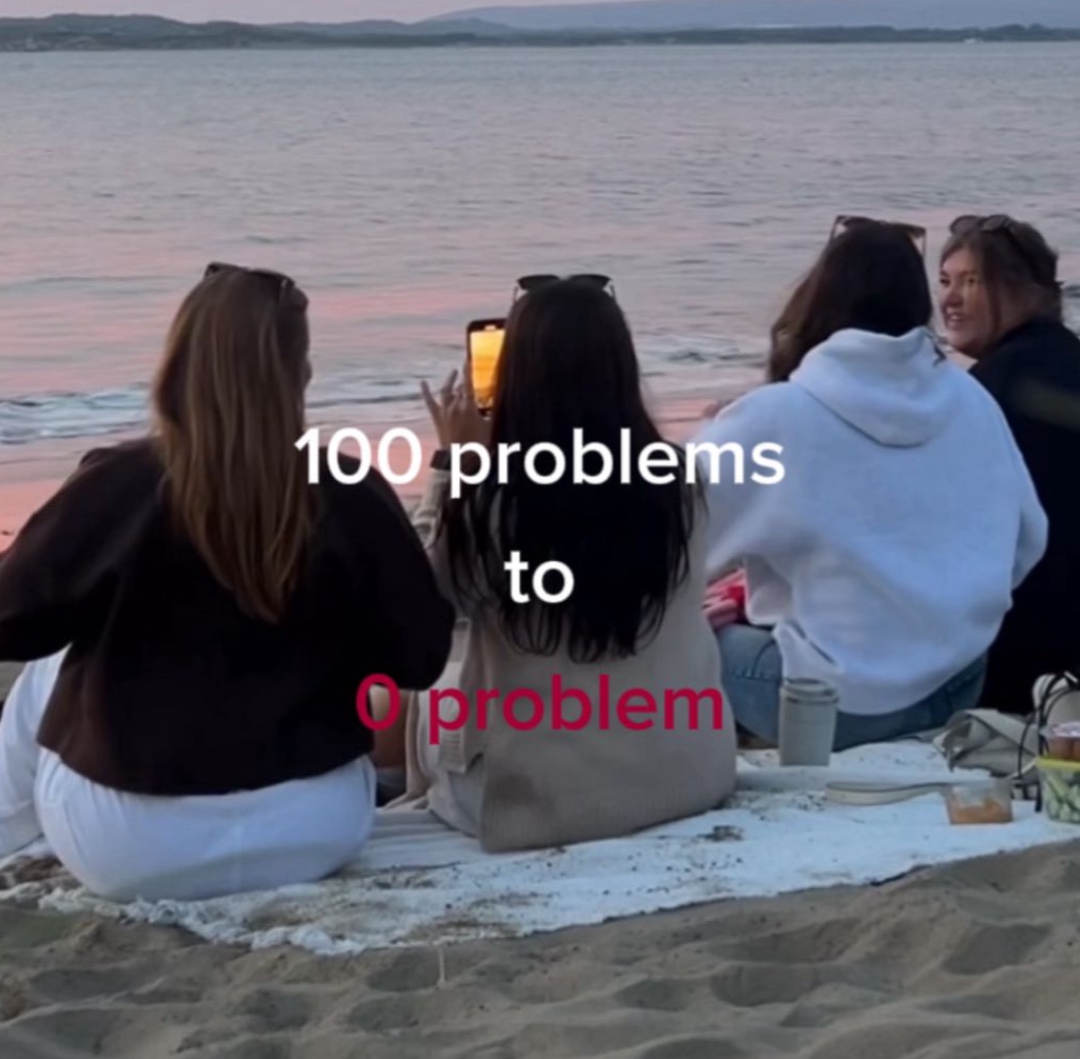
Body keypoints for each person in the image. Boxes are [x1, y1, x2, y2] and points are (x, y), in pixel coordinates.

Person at [0, 264, 453, 900]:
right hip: (312, 831)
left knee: (49, 662)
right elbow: (422, 659)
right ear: (300, 373)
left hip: (131, 849)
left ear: (177, 365)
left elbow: (11, 625)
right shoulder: (351, 492)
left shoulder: (117, 485)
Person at [403, 279, 736, 851]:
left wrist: (451, 467)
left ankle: (416, 800)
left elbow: (415, 604)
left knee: (430, 695)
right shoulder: (682, 481)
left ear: (515, 378)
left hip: (543, 809)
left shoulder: (493, 503)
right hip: (692, 777)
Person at [695, 221, 1047, 748]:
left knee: (684, 639)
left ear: (818, 297)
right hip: (957, 684)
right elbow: (1027, 541)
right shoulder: (971, 399)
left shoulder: (778, 414)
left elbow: (665, 538)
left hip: (834, 709)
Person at [940, 214, 1080, 712]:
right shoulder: (1068, 361)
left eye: (971, 282)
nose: (950, 300)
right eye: (945, 281)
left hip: (1012, 662)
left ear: (1025, 291)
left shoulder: (984, 392)